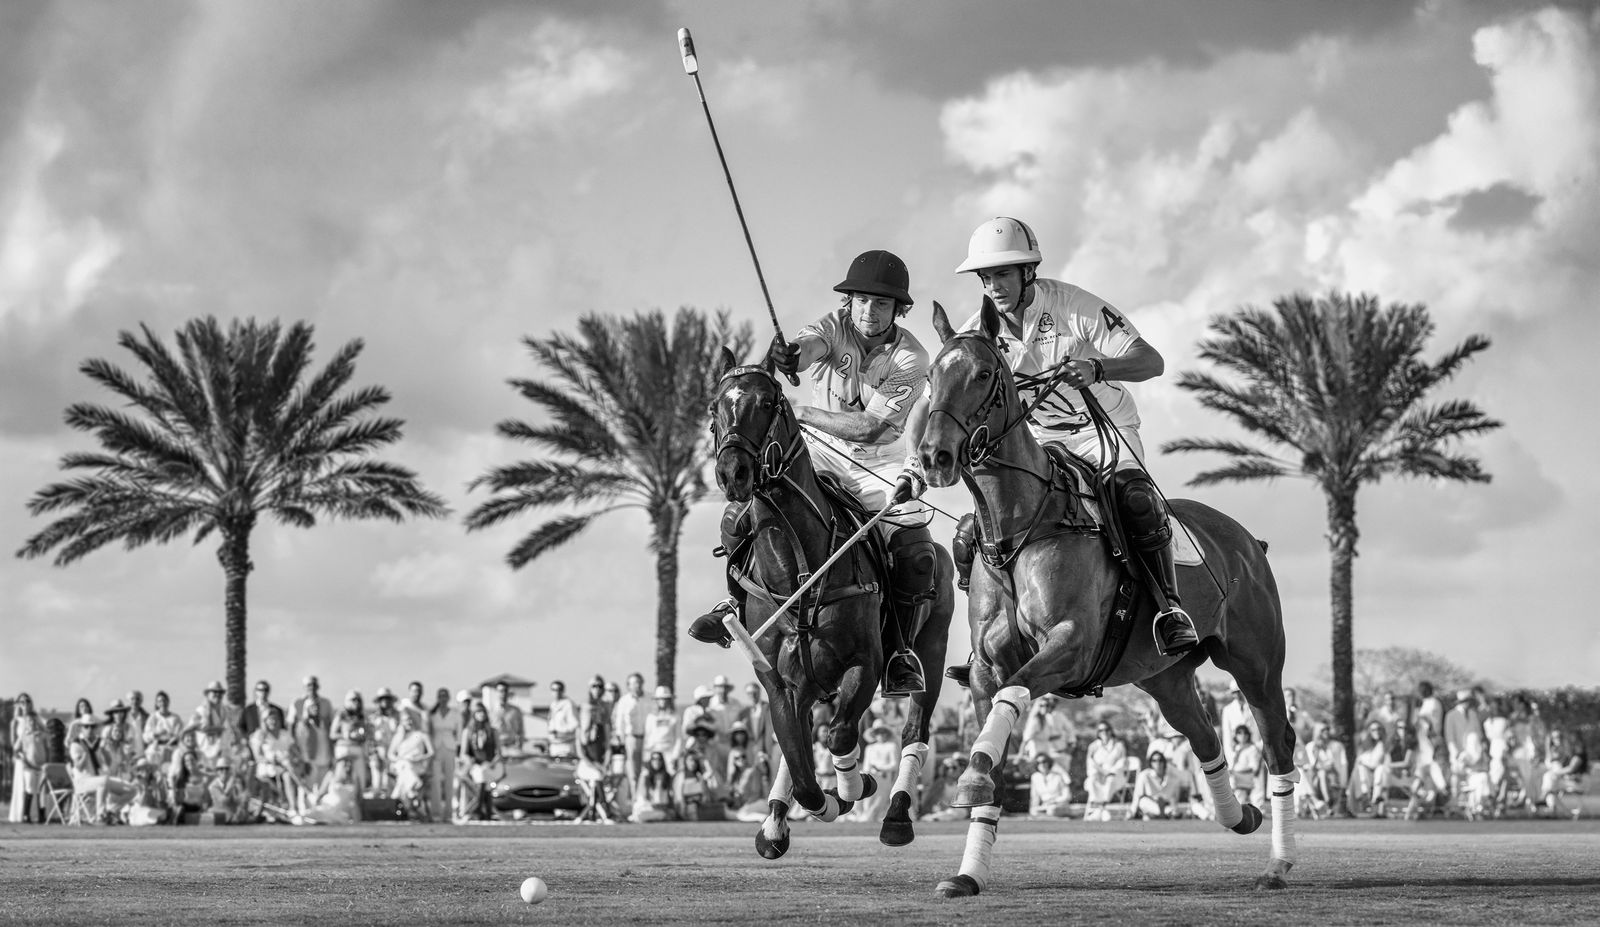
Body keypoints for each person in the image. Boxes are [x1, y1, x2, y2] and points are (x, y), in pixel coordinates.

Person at [687, 249, 939, 697]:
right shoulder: (831, 326)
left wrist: (799, 412)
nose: (868, 310)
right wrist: (790, 357)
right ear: (849, 302)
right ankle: (734, 599)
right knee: (746, 508)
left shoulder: (912, 358)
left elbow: (874, 429)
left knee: (918, 554)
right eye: (861, 300)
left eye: (881, 303)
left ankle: (900, 650)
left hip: (877, 464)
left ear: (898, 309)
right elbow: (808, 348)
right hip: (819, 454)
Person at [946, 217, 1198, 660]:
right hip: (1038, 441)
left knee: (1135, 499)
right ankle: (987, 641)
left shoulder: (1071, 304)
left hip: (1102, 431)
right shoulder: (979, 331)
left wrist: (1099, 368)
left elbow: (1150, 360)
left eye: (1002, 274)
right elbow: (940, 399)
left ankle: (1168, 609)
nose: (994, 286)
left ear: (1028, 272)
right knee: (973, 532)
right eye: (986, 277)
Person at [388, 709, 436, 818]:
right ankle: (413, 792)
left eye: (410, 719)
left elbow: (431, 753)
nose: (408, 722)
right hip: (401, 765)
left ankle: (403, 801)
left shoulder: (421, 735)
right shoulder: (399, 736)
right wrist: (399, 759)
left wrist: (419, 758)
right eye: (405, 720)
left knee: (406, 771)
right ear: (402, 722)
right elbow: (390, 754)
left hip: (417, 766)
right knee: (405, 765)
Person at [9, 693, 48, 823]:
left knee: (40, 790)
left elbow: (46, 739)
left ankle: (41, 815)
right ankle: (25, 815)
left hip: (40, 763)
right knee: (29, 788)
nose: (25, 704)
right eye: (22, 702)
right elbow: (15, 745)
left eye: (27, 701)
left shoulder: (38, 725)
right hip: (26, 762)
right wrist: (21, 756)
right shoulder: (17, 722)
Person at [459, 701, 501, 821]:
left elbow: (499, 753)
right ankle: (485, 811)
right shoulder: (468, 732)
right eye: (478, 712)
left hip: (491, 766)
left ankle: (477, 810)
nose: (481, 715)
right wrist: (471, 761)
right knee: (482, 777)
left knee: (485, 777)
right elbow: (464, 754)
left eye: (483, 712)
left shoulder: (493, 732)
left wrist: (491, 763)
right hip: (476, 766)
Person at [428, 688, 463, 822]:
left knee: (450, 781)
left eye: (445, 696)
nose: (443, 698)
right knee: (436, 781)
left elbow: (459, 734)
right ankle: (436, 812)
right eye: (440, 696)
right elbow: (429, 732)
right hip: (436, 748)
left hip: (450, 748)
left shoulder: (455, 714)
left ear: (448, 698)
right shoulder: (432, 714)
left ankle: (449, 813)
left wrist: (459, 752)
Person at [1084, 720, 1128, 822]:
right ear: (1098, 732)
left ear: (1110, 731)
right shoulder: (1093, 746)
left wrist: (1111, 772)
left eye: (1106, 729)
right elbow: (1090, 763)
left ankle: (1100, 810)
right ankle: (1102, 810)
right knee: (1092, 780)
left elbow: (1122, 762)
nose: (1104, 732)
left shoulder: (1119, 745)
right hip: (1098, 775)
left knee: (1110, 780)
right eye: (1101, 730)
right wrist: (1100, 772)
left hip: (1115, 775)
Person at [298, 755, 361, 825]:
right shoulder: (331, 775)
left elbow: (357, 799)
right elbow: (321, 793)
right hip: (328, 806)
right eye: (345, 765)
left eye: (349, 765)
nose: (348, 767)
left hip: (342, 813)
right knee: (310, 814)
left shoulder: (355, 779)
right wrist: (316, 801)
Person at [329, 690, 370, 798]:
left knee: (360, 781)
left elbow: (366, 734)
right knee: (340, 778)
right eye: (353, 699)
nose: (356, 702)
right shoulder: (341, 714)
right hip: (343, 749)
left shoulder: (362, 716)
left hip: (358, 749)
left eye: (358, 699)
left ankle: (358, 805)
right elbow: (332, 734)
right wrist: (345, 735)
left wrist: (361, 736)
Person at [611, 673, 649, 781]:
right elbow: (620, 723)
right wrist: (621, 741)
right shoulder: (624, 701)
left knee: (646, 768)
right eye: (634, 683)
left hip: (646, 738)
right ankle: (633, 794)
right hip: (631, 738)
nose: (637, 685)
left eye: (638, 682)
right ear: (629, 686)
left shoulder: (650, 698)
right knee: (632, 768)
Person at [291, 694, 333, 789]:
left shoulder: (324, 723)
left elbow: (329, 740)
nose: (315, 709)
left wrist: (331, 758)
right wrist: (305, 761)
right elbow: (301, 744)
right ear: (307, 709)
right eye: (312, 707)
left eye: (317, 706)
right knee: (308, 788)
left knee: (323, 789)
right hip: (311, 762)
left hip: (325, 760)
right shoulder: (303, 725)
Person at [1130, 751, 1184, 820]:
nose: (1157, 763)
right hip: (1151, 806)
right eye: (1154, 760)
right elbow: (1137, 796)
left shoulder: (1172, 778)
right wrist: (1132, 812)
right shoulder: (1144, 775)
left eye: (1160, 760)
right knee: (1143, 801)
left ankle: (1164, 814)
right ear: (1150, 763)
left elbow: (1174, 799)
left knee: (1171, 805)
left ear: (1164, 762)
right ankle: (1165, 813)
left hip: (1166, 805)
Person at [142, 691, 183, 769]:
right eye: (160, 701)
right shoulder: (153, 717)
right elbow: (146, 736)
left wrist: (174, 737)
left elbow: (180, 734)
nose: (162, 703)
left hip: (172, 747)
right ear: (157, 704)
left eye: (164, 700)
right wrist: (156, 734)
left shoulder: (175, 718)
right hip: (157, 747)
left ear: (168, 702)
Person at [632, 751, 677, 823]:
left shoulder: (666, 776)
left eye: (659, 759)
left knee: (670, 813)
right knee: (659, 814)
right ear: (651, 761)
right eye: (654, 759)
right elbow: (643, 798)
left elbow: (669, 797)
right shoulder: (645, 776)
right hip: (647, 808)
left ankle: (656, 818)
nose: (657, 761)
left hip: (662, 808)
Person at [643, 687, 682, 767]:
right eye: (660, 699)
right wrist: (647, 756)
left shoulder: (675, 717)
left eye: (665, 699)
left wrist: (675, 755)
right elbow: (647, 737)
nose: (663, 701)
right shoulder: (651, 717)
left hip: (669, 753)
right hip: (654, 753)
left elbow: (678, 737)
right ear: (656, 700)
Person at [1028, 753, 1074, 818]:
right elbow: (1035, 797)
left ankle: (1047, 818)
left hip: (1059, 805)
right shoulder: (1035, 777)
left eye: (1044, 761)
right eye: (1038, 762)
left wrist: (1054, 801)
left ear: (1049, 763)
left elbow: (1067, 796)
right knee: (1034, 812)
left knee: (1051, 810)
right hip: (1045, 806)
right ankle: (1057, 819)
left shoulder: (1058, 776)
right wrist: (1033, 809)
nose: (1042, 764)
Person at [579, 675, 611, 763]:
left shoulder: (605, 706)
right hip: (586, 743)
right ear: (589, 688)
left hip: (599, 741)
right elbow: (580, 729)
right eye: (594, 686)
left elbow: (607, 728)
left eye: (600, 686)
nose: (597, 689)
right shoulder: (585, 706)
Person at [490, 681, 526, 756]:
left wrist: (520, 745)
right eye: (500, 691)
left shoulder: (516, 711)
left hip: (513, 748)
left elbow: (521, 731)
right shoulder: (490, 711)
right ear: (496, 692)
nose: (503, 693)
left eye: (505, 690)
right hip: (496, 748)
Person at [545, 680, 579, 759]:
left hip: (565, 746)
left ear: (563, 690)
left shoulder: (568, 704)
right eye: (553, 689)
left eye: (559, 689)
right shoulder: (553, 705)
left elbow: (575, 725)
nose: (556, 692)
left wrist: (561, 732)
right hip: (554, 746)